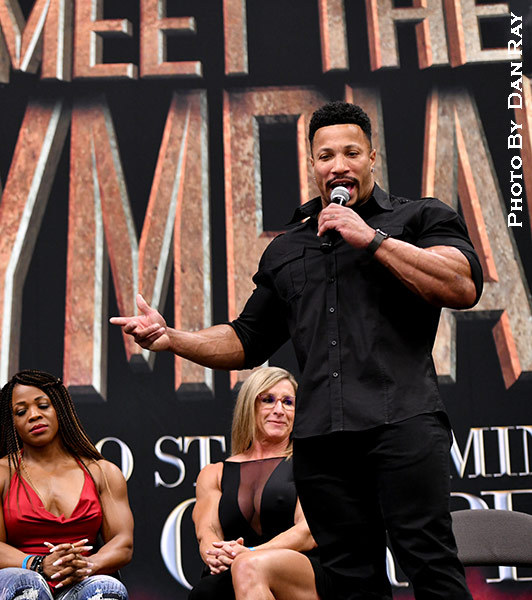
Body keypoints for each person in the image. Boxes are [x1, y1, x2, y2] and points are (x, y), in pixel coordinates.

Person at [111, 101, 481, 599]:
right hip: (323, 442)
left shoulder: (418, 216)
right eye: (326, 156)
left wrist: (371, 239)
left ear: (372, 157)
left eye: (351, 153)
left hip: (403, 423)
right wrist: (172, 338)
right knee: (349, 580)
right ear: (312, 165)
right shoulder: (287, 249)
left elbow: (462, 284)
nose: (339, 165)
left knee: (429, 563)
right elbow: (246, 339)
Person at [0, 369, 133, 600]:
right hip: (14, 578)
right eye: (21, 412)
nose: (34, 415)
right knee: (29, 586)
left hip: (77, 581)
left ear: (60, 409)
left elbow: (122, 543)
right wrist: (39, 564)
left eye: (43, 406)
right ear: (12, 423)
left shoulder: (103, 473)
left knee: (105, 589)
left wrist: (87, 565)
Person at [190, 366, 328, 600]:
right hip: (235, 567)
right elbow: (207, 532)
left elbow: (307, 532)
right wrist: (216, 554)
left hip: (301, 572)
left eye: (288, 402)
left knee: (247, 567)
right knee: (206, 591)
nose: (279, 410)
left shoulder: (309, 463)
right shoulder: (214, 474)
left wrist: (249, 553)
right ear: (249, 405)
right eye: (268, 400)